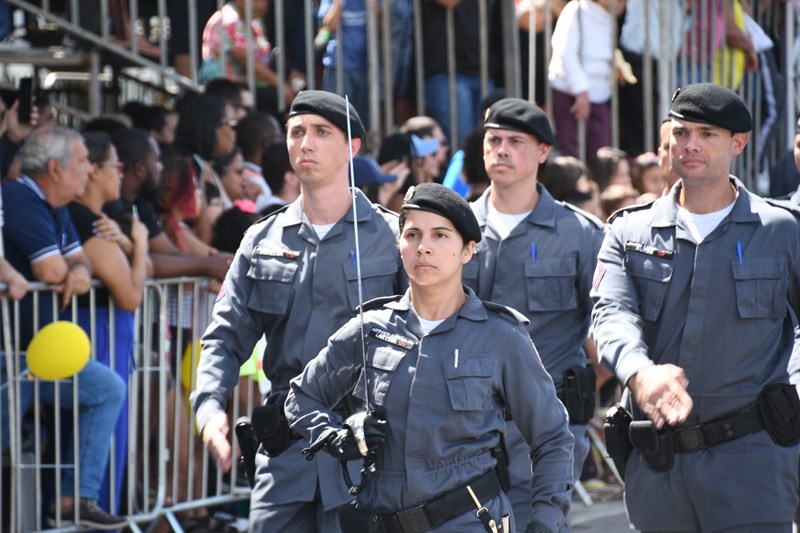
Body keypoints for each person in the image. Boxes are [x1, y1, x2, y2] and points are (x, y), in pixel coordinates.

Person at [286, 182, 574, 532]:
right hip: (381, 519)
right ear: (400, 245)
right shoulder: (370, 328)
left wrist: (544, 524)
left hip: (468, 522)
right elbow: (302, 396)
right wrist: (337, 435)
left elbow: (552, 438)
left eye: (440, 235)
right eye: (412, 235)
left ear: (467, 250)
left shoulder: (502, 336)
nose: (423, 247)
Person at [191, 90, 405, 532]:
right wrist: (210, 408)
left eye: (322, 132)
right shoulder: (263, 240)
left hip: (372, 453)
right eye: (296, 132)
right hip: (287, 453)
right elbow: (225, 336)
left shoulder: (395, 237)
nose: (305, 143)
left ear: (352, 146)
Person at [592, 83, 800, 531]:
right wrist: (638, 371)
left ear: (738, 143)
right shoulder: (630, 234)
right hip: (658, 466)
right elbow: (612, 313)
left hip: (753, 463)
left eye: (707, 134)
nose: (689, 144)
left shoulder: (781, 230)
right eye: (681, 132)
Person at [465, 97, 604, 530]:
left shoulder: (579, 234)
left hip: (544, 431)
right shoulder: (455, 228)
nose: (501, 150)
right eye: (494, 140)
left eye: (515, 142)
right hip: (463, 427)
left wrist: (576, 388)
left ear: (543, 152)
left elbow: (609, 324)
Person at [1, 125, 127, 530]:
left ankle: (74, 499)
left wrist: (75, 269)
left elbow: (80, 265)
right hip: (8, 356)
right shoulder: (20, 196)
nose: (89, 170)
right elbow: (52, 269)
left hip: (35, 358)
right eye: (82, 162)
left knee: (107, 388)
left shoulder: (57, 205)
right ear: (55, 168)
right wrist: (70, 270)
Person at [67, 131, 150, 516]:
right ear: (94, 170)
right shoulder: (85, 220)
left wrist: (133, 245)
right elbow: (132, 294)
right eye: (113, 166)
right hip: (93, 331)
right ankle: (88, 507)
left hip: (107, 331)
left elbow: (142, 271)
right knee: (99, 432)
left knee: (114, 433)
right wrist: (140, 242)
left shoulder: (101, 219)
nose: (120, 174)